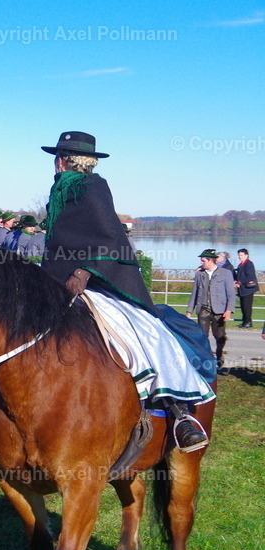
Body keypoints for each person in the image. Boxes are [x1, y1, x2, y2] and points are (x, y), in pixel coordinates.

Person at [40, 130, 212, 452]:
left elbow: (111, 238)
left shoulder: (94, 187)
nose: (55, 162)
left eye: (57, 157)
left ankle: (180, 412)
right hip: (55, 283)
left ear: (63, 159)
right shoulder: (58, 192)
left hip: (96, 281)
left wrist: (83, 271)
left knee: (148, 331)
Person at [186, 249, 235, 366]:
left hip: (219, 311)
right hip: (203, 309)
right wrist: (189, 311)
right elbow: (194, 293)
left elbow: (231, 294)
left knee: (220, 336)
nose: (201, 262)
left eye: (203, 260)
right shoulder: (200, 274)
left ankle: (219, 353)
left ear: (211, 260)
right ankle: (206, 358)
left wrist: (228, 310)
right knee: (202, 336)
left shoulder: (226, 273)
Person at [235, 248, 258, 328]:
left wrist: (240, 282)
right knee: (243, 306)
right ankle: (245, 321)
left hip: (248, 289)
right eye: (239, 255)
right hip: (243, 289)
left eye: (241, 255)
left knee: (246, 306)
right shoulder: (241, 264)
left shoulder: (249, 264)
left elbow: (250, 277)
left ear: (246, 255)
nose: (240, 257)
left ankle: (248, 322)